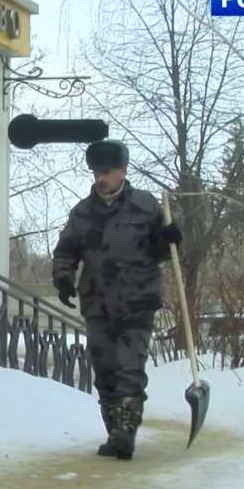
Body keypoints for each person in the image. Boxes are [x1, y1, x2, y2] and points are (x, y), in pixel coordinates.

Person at [51, 140, 182, 459]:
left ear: (123, 171)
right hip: (97, 302)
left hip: (137, 300)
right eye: (96, 172)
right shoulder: (82, 213)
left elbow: (166, 253)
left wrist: (171, 238)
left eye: (107, 171)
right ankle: (114, 431)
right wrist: (64, 277)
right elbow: (66, 250)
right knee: (105, 370)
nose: (101, 178)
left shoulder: (147, 205)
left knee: (129, 368)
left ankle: (126, 431)